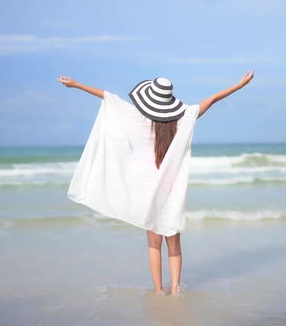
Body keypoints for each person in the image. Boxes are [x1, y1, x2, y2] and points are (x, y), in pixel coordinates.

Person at [57, 71, 254, 294]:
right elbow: (212, 99)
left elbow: (108, 97)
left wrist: (76, 84)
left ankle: (159, 290)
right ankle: (176, 289)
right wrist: (240, 85)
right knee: (173, 241)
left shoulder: (136, 118)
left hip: (146, 189)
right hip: (171, 189)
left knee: (153, 242)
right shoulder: (183, 118)